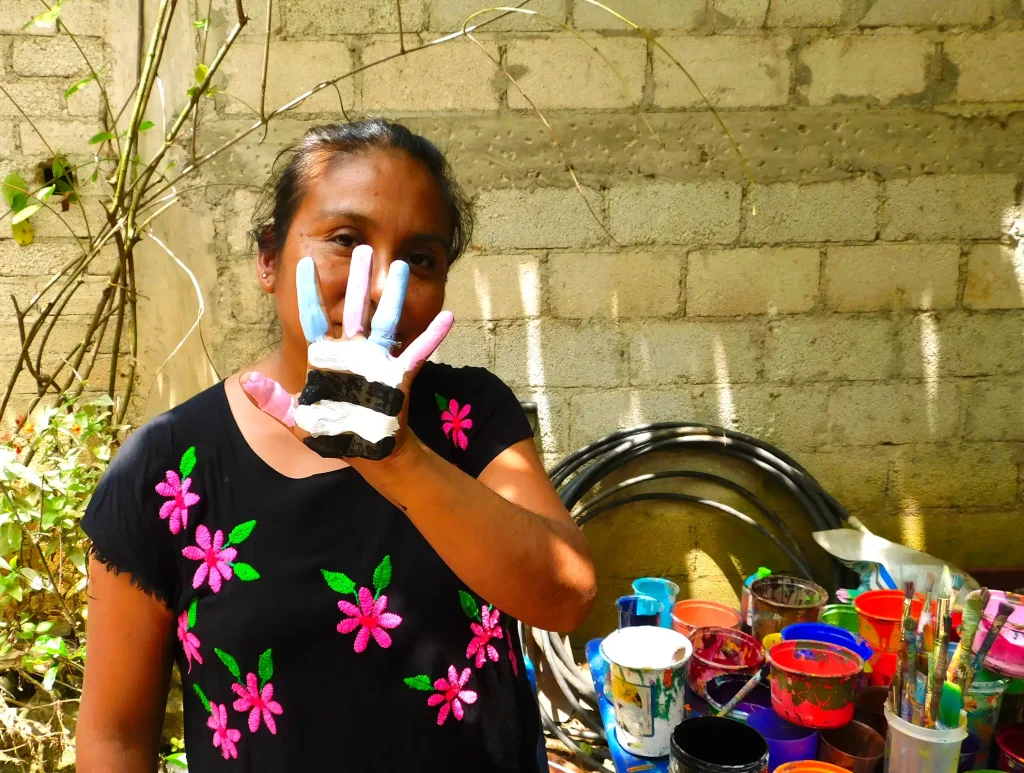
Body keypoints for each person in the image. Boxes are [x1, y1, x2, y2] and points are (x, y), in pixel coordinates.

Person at [77, 119, 597, 772]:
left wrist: (401, 459)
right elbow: (115, 737)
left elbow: (567, 596)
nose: (381, 287)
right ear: (269, 260)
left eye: (421, 259)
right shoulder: (165, 472)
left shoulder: (470, 417)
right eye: (347, 240)